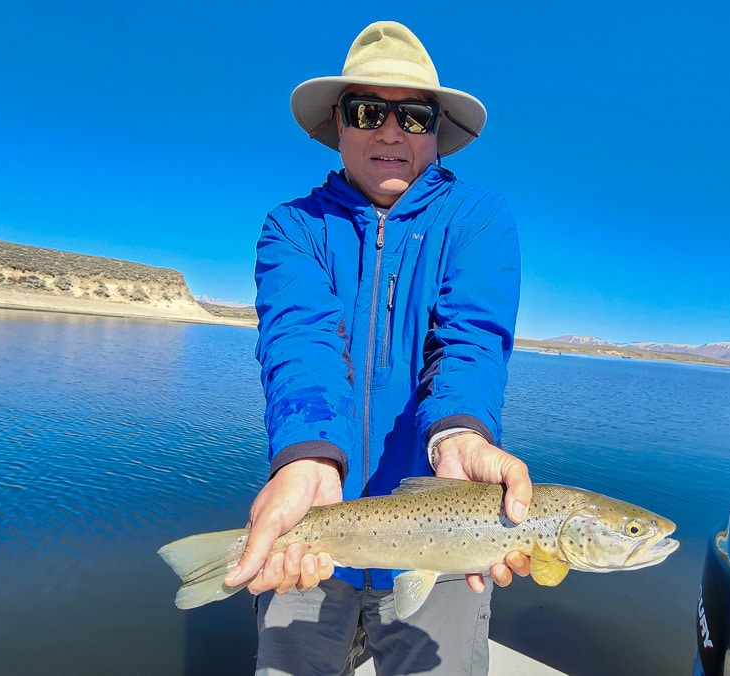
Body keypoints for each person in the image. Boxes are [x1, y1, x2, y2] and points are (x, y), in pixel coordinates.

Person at [223, 21, 532, 675]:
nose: (390, 132)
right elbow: (301, 346)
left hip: (445, 536)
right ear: (339, 123)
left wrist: (461, 435)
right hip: (316, 521)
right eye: (369, 111)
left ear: (435, 128)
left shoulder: (479, 219)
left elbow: (470, 343)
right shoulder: (293, 228)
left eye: (412, 115)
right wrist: (308, 462)